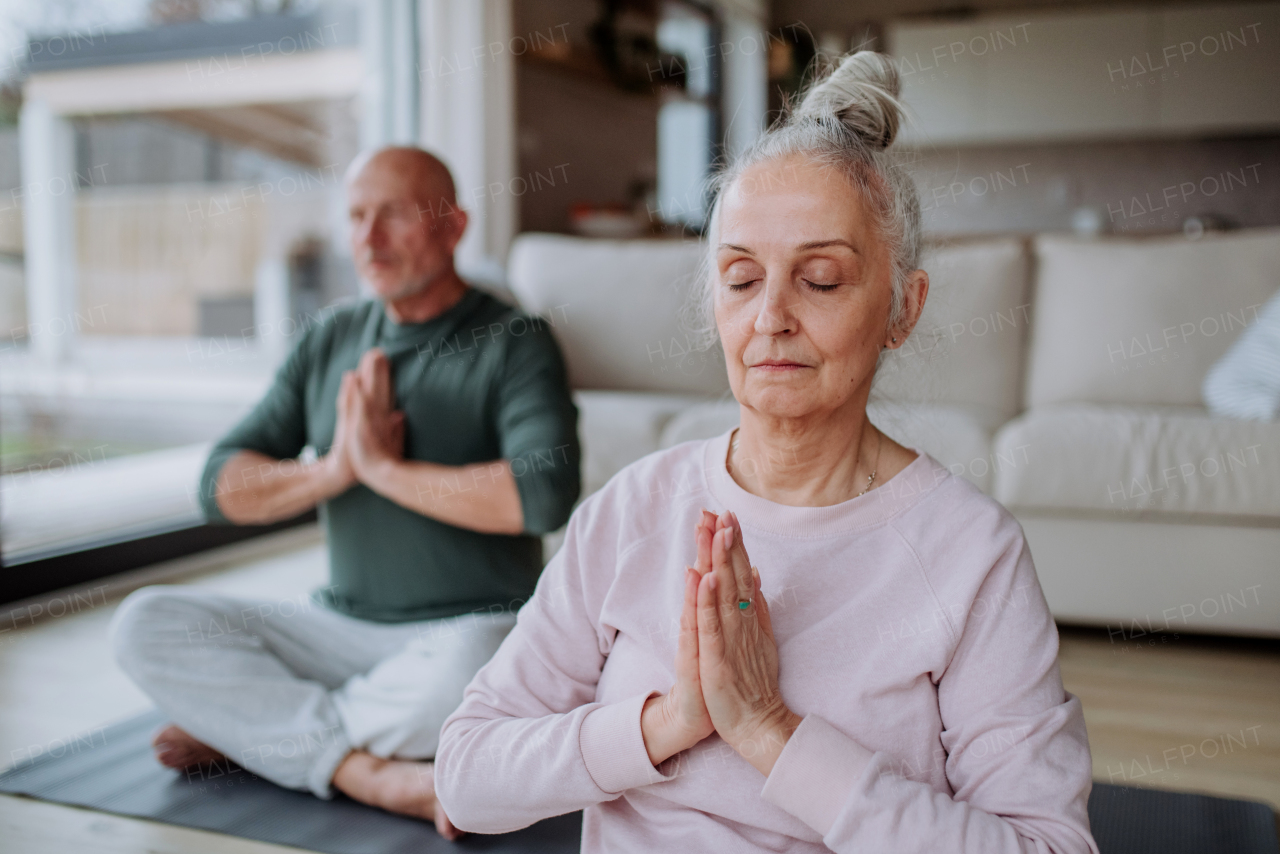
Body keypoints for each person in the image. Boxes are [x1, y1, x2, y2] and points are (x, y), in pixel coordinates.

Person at [434, 53, 1099, 853]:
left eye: (821, 279)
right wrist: (669, 722)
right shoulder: (633, 510)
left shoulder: (969, 553)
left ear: (902, 308)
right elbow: (465, 777)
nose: (772, 317)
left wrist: (769, 731)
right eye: (742, 279)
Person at [110, 147, 580, 839]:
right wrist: (334, 469)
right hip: (337, 630)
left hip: (466, 630)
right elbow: (219, 486)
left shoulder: (516, 340)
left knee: (473, 668)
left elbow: (542, 496)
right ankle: (368, 773)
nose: (368, 237)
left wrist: (387, 471)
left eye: (392, 214)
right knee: (143, 623)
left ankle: (259, 734)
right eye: (357, 216)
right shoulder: (331, 337)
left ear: (453, 227)